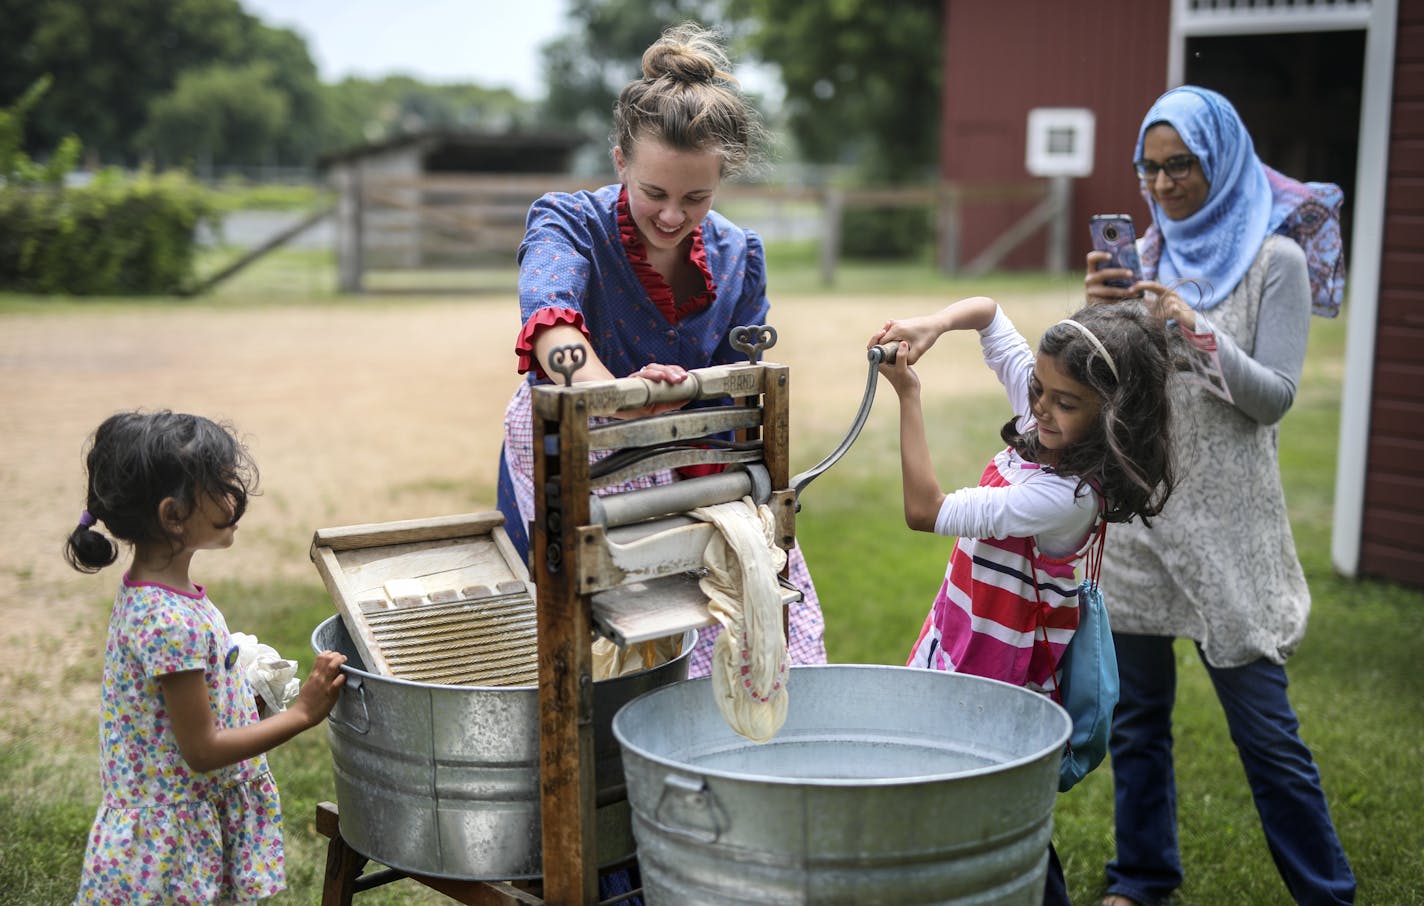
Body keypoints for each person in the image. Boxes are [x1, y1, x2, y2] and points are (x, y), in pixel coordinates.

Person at [1084, 85, 1354, 906]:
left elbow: (1272, 397)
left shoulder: (1276, 260)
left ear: (1223, 160)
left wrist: (1191, 329)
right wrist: (1097, 316)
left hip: (1228, 527)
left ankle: (1326, 892)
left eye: (1181, 167)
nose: (1162, 186)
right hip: (1138, 518)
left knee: (1265, 734)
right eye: (1149, 168)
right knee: (1136, 725)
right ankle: (1142, 877)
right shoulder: (1149, 256)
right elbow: (1106, 384)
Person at [496, 22, 827, 679]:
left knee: (754, 630)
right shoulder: (569, 223)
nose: (673, 216)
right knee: (580, 664)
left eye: (696, 197)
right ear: (620, 159)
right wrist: (615, 396)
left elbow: (742, 385)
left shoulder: (741, 255)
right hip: (579, 473)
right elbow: (553, 328)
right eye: (654, 192)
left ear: (722, 178)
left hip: (700, 472)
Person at [871, 295, 1176, 906]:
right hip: (962, 641)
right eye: (1038, 388)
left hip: (1001, 673)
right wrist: (934, 324)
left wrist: (909, 396)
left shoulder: (1067, 496)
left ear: (1116, 416)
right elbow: (987, 313)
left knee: (997, 817)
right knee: (966, 805)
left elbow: (923, 511)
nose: (1040, 408)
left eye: (1066, 403)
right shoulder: (1046, 421)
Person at [67, 410, 347, 904]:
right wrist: (304, 713)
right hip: (167, 852)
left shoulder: (162, 595)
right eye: (219, 484)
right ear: (172, 514)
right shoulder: (169, 621)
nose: (233, 493)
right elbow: (202, 750)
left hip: (181, 823)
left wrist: (248, 698)